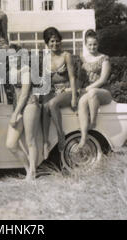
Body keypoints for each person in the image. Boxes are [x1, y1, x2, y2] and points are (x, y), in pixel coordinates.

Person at [5, 46, 41, 181]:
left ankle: (32, 173)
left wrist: (15, 113)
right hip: (18, 106)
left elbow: (25, 93)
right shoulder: (11, 71)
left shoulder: (26, 70)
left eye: (15, 56)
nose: (13, 59)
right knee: (11, 144)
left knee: (30, 140)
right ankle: (28, 169)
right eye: (10, 56)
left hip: (30, 104)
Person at [41, 27, 77, 159]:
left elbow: (73, 77)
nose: (55, 44)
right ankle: (45, 142)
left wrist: (74, 97)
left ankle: (60, 134)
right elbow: (45, 80)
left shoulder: (66, 55)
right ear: (47, 43)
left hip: (66, 89)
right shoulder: (46, 58)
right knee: (43, 107)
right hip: (52, 90)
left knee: (52, 104)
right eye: (51, 41)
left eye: (57, 41)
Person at [76, 30, 112, 149]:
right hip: (89, 92)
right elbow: (80, 79)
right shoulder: (83, 59)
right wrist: (76, 89)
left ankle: (93, 122)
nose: (92, 47)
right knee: (81, 102)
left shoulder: (104, 58)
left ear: (98, 44)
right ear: (86, 45)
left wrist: (89, 87)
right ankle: (84, 136)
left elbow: (103, 80)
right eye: (90, 44)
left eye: (95, 44)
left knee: (92, 92)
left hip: (103, 92)